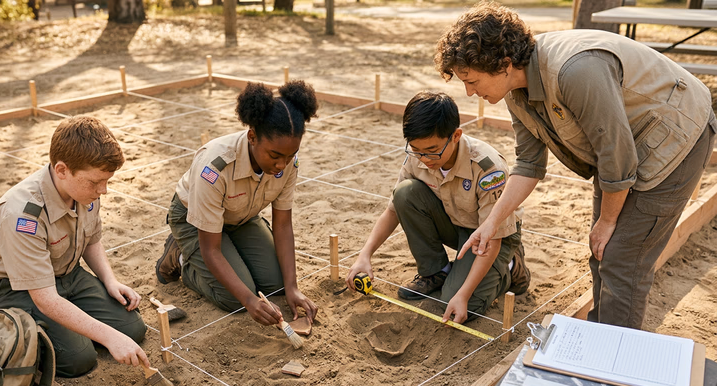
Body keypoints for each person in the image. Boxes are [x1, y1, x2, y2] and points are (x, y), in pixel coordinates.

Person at [435, 2, 716, 329]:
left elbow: (617, 156)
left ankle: (612, 359)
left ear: (504, 64)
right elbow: (528, 164)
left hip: (677, 137)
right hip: (626, 147)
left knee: (622, 262)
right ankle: (602, 335)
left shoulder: (574, 71)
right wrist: (491, 223)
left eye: (472, 80)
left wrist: (608, 220)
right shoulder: (515, 92)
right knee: (602, 253)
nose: (469, 92)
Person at [0, 116, 149, 377]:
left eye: (107, 181)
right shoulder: (21, 215)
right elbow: (44, 299)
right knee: (78, 359)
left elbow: (91, 239)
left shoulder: (84, 190)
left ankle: (68, 328)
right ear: (62, 170)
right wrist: (110, 338)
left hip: (65, 273)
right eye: (95, 182)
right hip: (14, 286)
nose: (104, 190)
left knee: (133, 329)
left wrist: (109, 280)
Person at [345, 91, 530, 324]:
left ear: (455, 136)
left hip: (493, 237)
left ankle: (512, 266)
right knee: (405, 193)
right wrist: (365, 255)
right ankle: (436, 271)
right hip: (456, 224)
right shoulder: (418, 155)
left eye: (432, 150)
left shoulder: (487, 168)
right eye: (416, 150)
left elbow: (492, 239)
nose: (425, 159)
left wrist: (462, 295)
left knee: (460, 303)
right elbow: (393, 210)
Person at [155, 81, 319, 327]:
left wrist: (292, 287)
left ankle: (235, 255)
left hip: (240, 217)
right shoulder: (214, 166)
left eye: (290, 155)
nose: (281, 165)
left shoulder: (287, 162)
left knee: (276, 286)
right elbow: (211, 249)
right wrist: (249, 300)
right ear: (252, 136)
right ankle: (180, 257)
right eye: (274, 156)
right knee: (236, 300)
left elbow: (283, 225)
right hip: (194, 221)